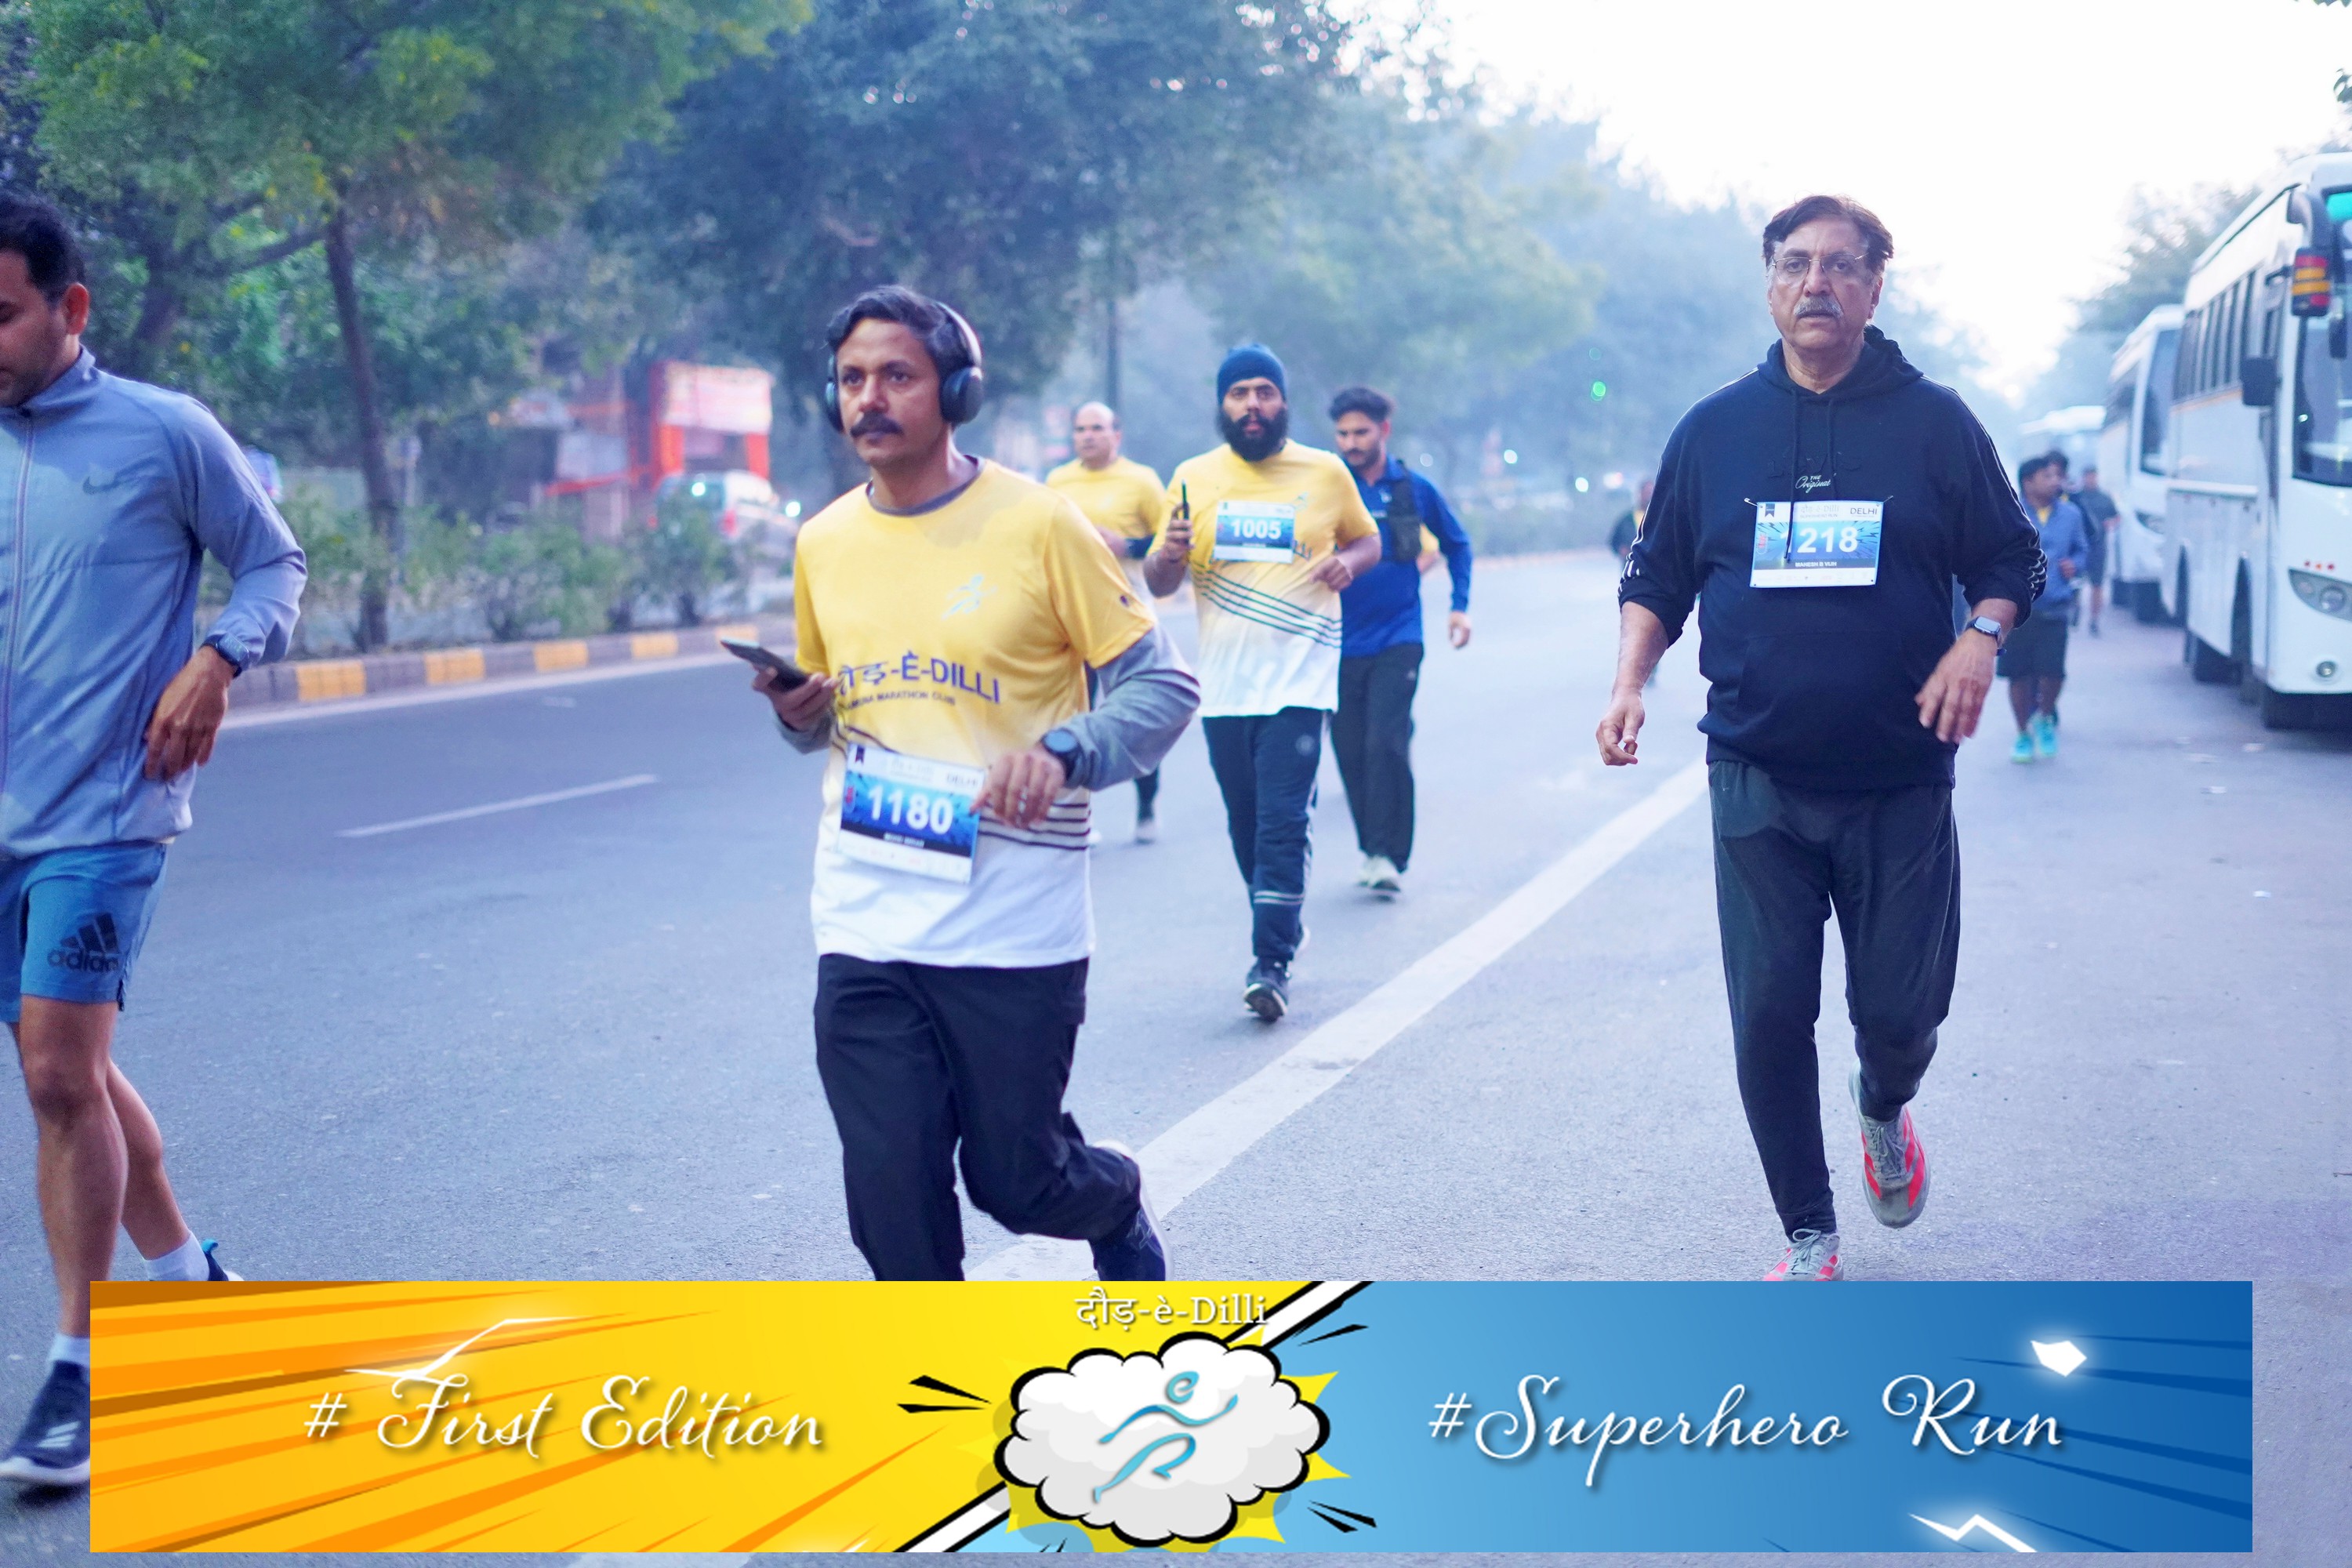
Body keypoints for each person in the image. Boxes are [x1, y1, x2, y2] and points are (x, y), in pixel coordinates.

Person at [1595, 194, 2042, 1283]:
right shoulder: (1714, 431)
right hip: (1758, 771)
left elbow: (2011, 556)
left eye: (1841, 266)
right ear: (1769, 283)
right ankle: (1810, 1231)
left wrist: (1980, 637)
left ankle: (1884, 1106)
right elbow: (1659, 574)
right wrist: (1629, 683)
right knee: (1767, 1012)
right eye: (1795, 264)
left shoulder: (1935, 423)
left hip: (1898, 774)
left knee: (1898, 1015)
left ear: (1875, 288)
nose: (1816, 284)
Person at [761, 286, 1197, 1283]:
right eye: (852, 379)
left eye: (897, 375)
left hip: (1013, 915)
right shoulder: (823, 540)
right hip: (866, 909)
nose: (870, 398)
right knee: (892, 1202)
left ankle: (1112, 1196)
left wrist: (1065, 750)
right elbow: (830, 710)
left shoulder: (1039, 524)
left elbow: (1164, 685)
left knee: (1019, 1181)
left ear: (956, 392)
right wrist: (798, 713)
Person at [0, 193, 307, 1488]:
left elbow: (274, 564)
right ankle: (191, 1283)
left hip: (106, 815)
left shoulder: (164, 432)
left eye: (0, 315)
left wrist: (217, 662)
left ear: (69, 307)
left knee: (57, 1074)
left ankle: (87, 1367)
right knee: (65, 1066)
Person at [1145, 345, 1379, 1021]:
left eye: (1265, 392)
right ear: (1223, 405)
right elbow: (1160, 580)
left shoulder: (1325, 471)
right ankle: (1282, 918)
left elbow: (1367, 540)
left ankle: (1270, 960)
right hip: (1224, 688)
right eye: (1239, 393)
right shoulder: (1191, 478)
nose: (1253, 404)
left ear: (1283, 401)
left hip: (1301, 680)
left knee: (1282, 821)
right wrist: (1168, 555)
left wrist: (1349, 565)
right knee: (1245, 823)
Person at [1327, 385, 1472, 898]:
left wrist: (1459, 605)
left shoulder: (1412, 488)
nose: (1351, 442)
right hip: (1335, 642)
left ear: (1384, 431)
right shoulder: (1328, 487)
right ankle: (1371, 849)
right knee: (1349, 749)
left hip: (1399, 637)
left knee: (1385, 742)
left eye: (1361, 432)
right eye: (1343, 434)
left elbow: (1457, 543)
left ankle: (1390, 854)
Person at [1046, 402, 1171, 841]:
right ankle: (1081, 815)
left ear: (1117, 435)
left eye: (1097, 428)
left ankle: (1147, 807)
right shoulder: (1058, 482)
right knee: (1073, 716)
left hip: (1127, 612)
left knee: (1135, 713)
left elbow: (1168, 541)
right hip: (1072, 614)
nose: (1088, 436)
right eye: (1081, 429)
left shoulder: (1142, 481)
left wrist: (1128, 546)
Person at [2002, 452, 2089, 763]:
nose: (2056, 482)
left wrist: (2075, 565)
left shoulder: (2071, 515)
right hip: (2017, 609)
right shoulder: (2010, 512)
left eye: (2057, 476)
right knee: (2019, 675)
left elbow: (2082, 550)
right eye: (2047, 477)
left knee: (2053, 671)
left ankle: (2045, 715)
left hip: (2055, 605)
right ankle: (2022, 733)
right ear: (2028, 482)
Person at [2071, 462, 2119, 636]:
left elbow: (2116, 516)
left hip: (2098, 547)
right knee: (2075, 583)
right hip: (2078, 546)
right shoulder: (2076, 497)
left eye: (2093, 476)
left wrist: (2110, 523)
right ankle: (2075, 610)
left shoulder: (2104, 498)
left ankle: (2094, 619)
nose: (2090, 479)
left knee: (2097, 585)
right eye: (2088, 476)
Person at [1609, 477, 1653, 561]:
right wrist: (1621, 550)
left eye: (1651, 493)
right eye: (1646, 493)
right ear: (1640, 493)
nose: (1648, 496)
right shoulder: (1626, 520)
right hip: (1631, 563)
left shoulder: (1659, 521)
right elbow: (1615, 541)